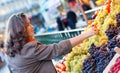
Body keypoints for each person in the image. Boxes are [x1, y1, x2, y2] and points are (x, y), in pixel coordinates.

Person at [5, 13, 98, 73]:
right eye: (28, 25)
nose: (32, 26)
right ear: (21, 30)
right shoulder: (30, 49)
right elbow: (57, 49)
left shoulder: (9, 53)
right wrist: (86, 35)